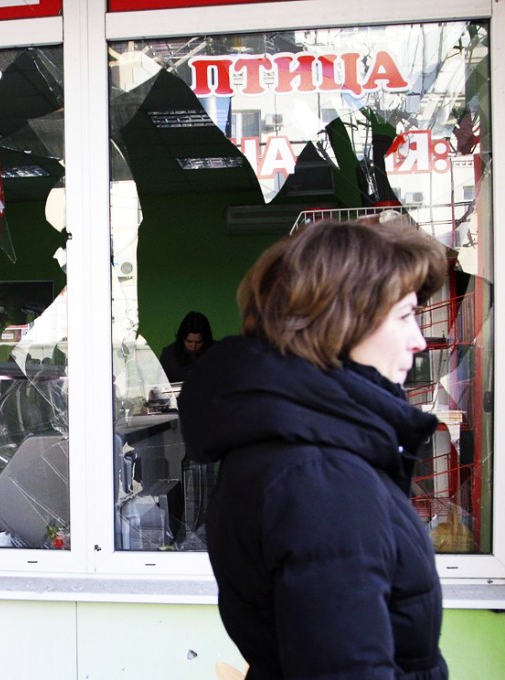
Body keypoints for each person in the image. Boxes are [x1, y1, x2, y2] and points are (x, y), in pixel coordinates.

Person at [178, 219, 448, 678]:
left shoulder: (294, 447)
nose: (419, 340)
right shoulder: (321, 475)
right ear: (341, 321)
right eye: (404, 316)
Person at [159, 311, 215, 382]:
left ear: (206, 340)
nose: (193, 346)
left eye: (198, 342)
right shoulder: (169, 355)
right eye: (189, 341)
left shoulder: (217, 351)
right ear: (182, 339)